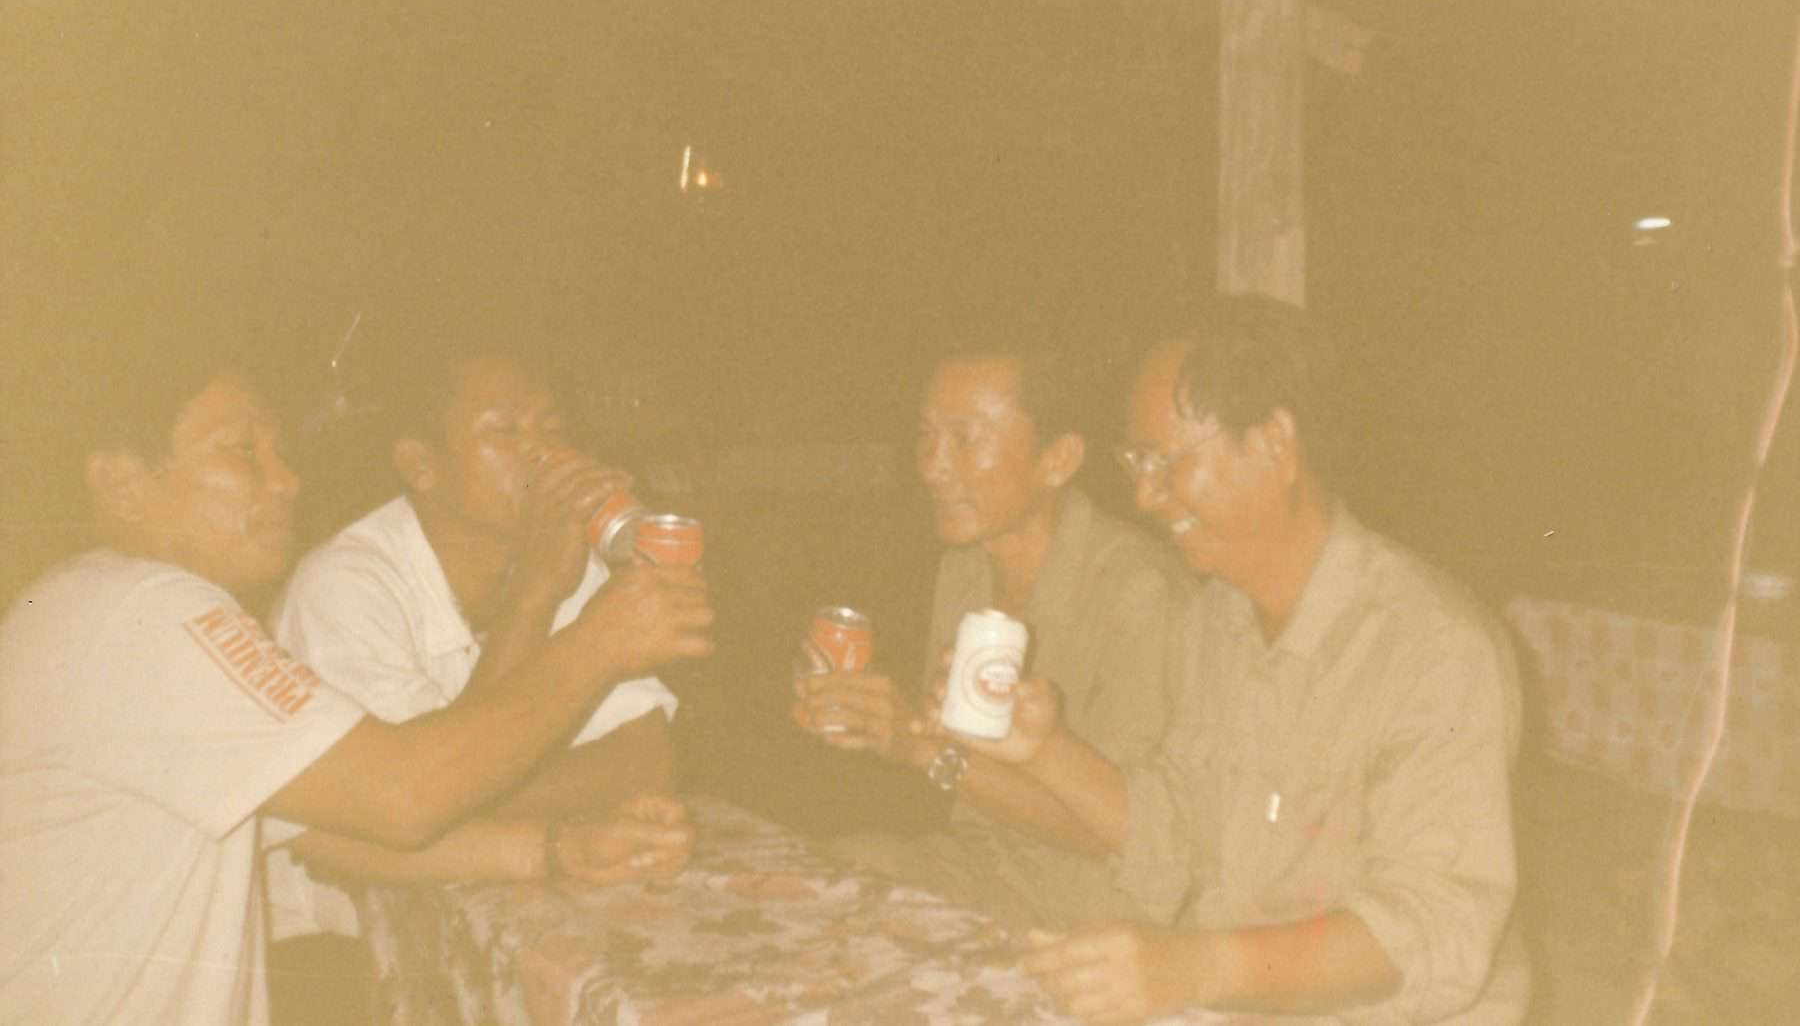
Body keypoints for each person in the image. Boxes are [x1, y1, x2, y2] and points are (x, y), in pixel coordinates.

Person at [0, 338, 712, 1026]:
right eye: (242, 450)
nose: (287, 480)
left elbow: (330, 834)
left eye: (277, 450)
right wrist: (599, 642)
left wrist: (555, 849)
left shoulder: (106, 608)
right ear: (122, 483)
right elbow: (403, 797)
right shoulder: (146, 612)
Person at [937, 295, 1529, 1024]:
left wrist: (1195, 967)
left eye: (1165, 461)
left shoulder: (1433, 647)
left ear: (1275, 445)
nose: (1144, 495)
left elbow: (1434, 928)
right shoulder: (1218, 618)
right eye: (1135, 462)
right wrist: (1044, 749)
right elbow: (1175, 830)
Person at [266, 342, 682, 942]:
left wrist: (473, 799)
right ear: (421, 465)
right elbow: (423, 802)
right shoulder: (344, 586)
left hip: (512, 902)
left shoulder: (565, 555)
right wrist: (535, 593)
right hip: (348, 947)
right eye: (505, 431)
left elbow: (647, 759)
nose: (543, 454)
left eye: (552, 429)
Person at [790, 339, 1201, 929]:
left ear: (1057, 459)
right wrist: (878, 718)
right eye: (926, 435)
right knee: (825, 872)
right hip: (988, 866)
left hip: (1103, 904)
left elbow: (1113, 835)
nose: (932, 465)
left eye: (965, 439)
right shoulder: (965, 567)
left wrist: (921, 749)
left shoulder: (1141, 592)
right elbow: (961, 761)